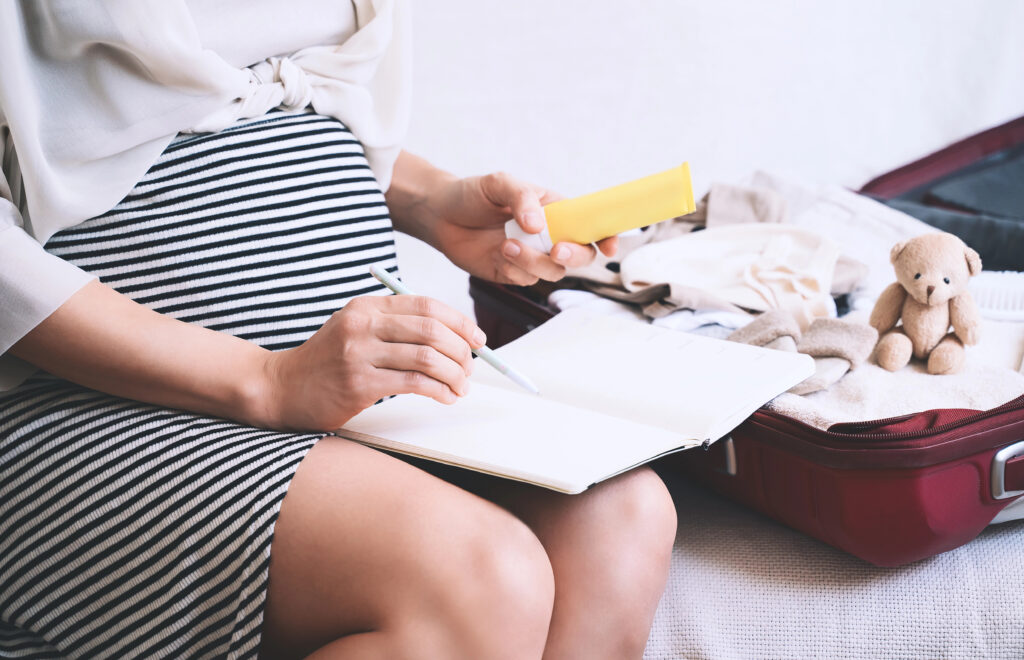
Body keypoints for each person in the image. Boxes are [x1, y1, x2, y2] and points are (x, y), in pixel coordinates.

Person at [0, 2, 678, 658]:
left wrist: (431, 203)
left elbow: (266, 88)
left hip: (346, 396)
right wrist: (267, 379)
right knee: (475, 576)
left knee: (620, 518)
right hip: (98, 398)